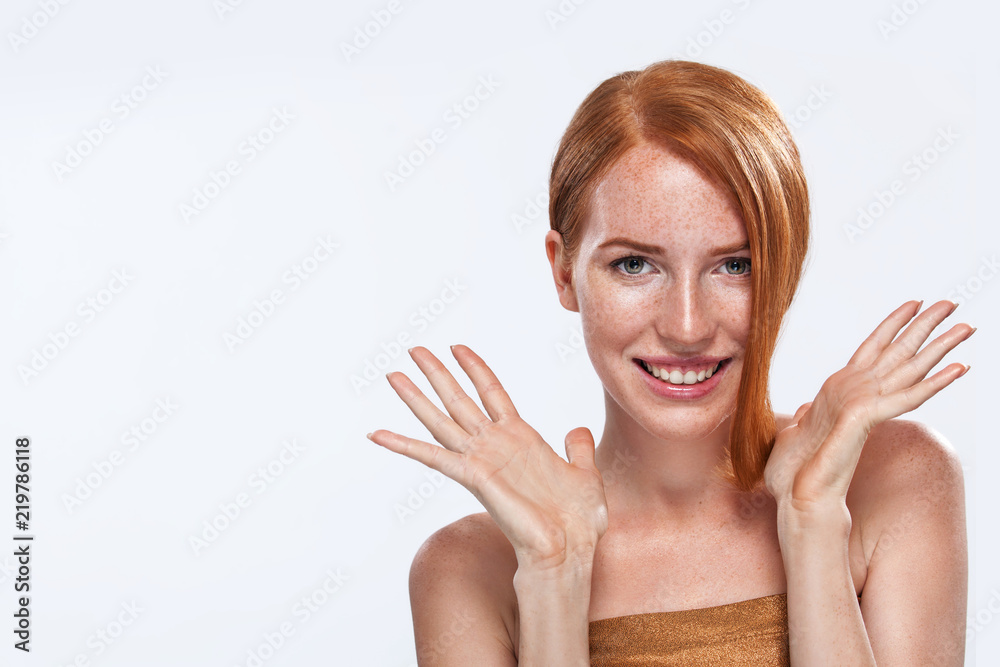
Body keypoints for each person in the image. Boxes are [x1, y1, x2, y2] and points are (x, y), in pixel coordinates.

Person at [366, 60, 972, 665]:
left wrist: (813, 525)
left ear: (785, 272)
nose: (687, 327)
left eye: (736, 265)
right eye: (635, 265)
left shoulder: (894, 478)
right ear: (562, 270)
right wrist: (554, 574)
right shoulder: (470, 569)